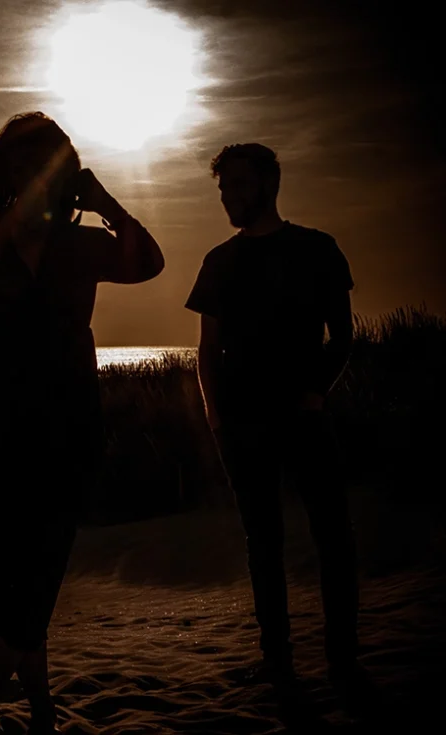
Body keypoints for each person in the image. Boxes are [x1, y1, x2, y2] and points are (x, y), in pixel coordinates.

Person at [0, 112, 164, 734]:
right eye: (27, 166)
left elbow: (149, 263)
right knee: (10, 570)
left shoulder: (81, 243)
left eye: (51, 168)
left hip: (68, 419)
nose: (37, 179)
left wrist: (106, 202)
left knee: (42, 561)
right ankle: (40, 708)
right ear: (9, 172)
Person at [185, 143, 375, 712]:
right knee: (262, 545)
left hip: (304, 419)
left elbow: (341, 336)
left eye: (239, 186)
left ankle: (344, 657)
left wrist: (316, 393)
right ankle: (278, 659)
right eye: (223, 189)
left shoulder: (317, 250)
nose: (229, 198)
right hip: (243, 426)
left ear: (268, 184)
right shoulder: (218, 261)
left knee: (334, 539)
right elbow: (207, 351)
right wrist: (215, 418)